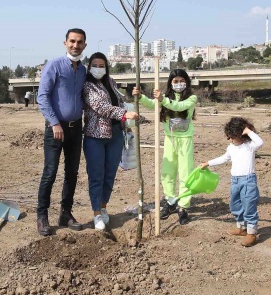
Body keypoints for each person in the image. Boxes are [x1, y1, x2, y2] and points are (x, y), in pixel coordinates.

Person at [36, 28, 87, 237]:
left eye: (80, 42)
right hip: (55, 129)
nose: (76, 45)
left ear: (85, 45)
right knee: (50, 172)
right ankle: (42, 216)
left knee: (72, 173)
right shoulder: (54, 66)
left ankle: (66, 213)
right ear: (65, 42)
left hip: (76, 129)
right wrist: (55, 123)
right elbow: (42, 96)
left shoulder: (83, 70)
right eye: (72, 41)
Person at [133, 69, 197, 225]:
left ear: (187, 82)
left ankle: (183, 206)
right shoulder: (166, 98)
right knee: (167, 172)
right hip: (170, 140)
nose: (178, 84)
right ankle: (170, 202)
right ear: (170, 83)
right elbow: (152, 104)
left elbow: (179, 107)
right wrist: (140, 97)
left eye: (182, 81)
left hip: (185, 140)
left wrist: (163, 99)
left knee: (185, 173)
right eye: (175, 81)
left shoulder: (192, 98)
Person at [82, 52, 139, 231]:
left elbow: (119, 102)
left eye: (102, 66)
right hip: (95, 137)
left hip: (115, 134)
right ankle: (96, 212)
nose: (98, 69)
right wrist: (123, 114)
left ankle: (104, 207)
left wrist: (130, 103)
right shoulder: (87, 86)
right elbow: (101, 107)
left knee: (109, 175)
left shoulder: (111, 82)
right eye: (95, 65)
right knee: (96, 176)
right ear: (89, 66)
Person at [199, 117, 264, 247]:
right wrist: (208, 163)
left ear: (241, 135)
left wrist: (248, 131)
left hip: (248, 181)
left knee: (249, 206)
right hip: (235, 181)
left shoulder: (250, 146)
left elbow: (260, 142)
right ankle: (241, 227)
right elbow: (224, 158)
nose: (230, 139)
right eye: (229, 137)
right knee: (235, 204)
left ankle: (251, 232)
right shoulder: (231, 148)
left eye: (232, 137)